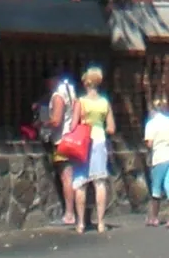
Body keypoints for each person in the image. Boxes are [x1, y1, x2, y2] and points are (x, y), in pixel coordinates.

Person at [70, 66, 116, 235]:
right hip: (100, 140)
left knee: (81, 183)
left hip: (83, 142)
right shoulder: (105, 102)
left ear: (85, 83)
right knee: (100, 182)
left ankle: (81, 223)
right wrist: (100, 126)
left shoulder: (80, 102)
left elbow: (74, 124)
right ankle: (101, 223)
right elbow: (111, 128)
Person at [40, 70, 81, 228]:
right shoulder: (72, 92)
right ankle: (79, 212)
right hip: (73, 139)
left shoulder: (58, 96)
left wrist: (44, 122)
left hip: (61, 141)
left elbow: (56, 120)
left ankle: (69, 214)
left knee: (66, 177)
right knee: (75, 176)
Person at [141, 100, 169, 229]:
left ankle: (154, 217)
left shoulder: (151, 124)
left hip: (158, 158)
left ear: (152, 110)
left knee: (156, 189)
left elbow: (149, 143)